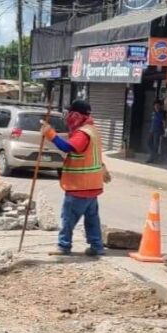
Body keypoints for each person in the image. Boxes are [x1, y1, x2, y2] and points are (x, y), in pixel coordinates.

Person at [41, 99, 111, 256]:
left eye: (70, 113)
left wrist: (50, 134)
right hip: (92, 186)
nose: (67, 117)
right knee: (92, 220)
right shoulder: (92, 130)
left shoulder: (83, 133)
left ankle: (64, 246)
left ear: (77, 115)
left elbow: (67, 147)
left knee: (68, 218)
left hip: (80, 186)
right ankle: (97, 247)